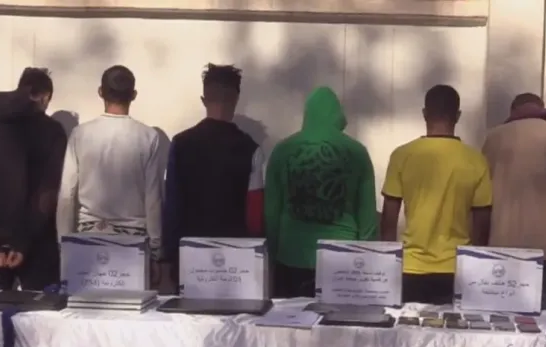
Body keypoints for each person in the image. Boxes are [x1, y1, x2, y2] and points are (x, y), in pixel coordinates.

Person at [380, 84, 492, 304]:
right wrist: (476, 266)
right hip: (458, 268)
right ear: (457, 116)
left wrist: (387, 265)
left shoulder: (402, 155)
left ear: (424, 113)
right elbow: (482, 222)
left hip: (410, 267)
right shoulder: (476, 160)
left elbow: (389, 219)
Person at [264, 86, 377, 297]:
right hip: (343, 260)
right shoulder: (357, 152)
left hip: (291, 258)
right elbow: (368, 219)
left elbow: (271, 213)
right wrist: (366, 262)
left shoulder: (282, 150)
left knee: (288, 318)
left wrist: (270, 257)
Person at [56, 65, 165, 283]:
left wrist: (64, 244)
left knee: (85, 303)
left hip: (88, 237)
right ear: (134, 95)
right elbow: (153, 198)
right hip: (133, 242)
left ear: (100, 92)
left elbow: (67, 194)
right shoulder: (149, 136)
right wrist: (155, 251)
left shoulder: (80, 134)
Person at [0, 67, 67, 291]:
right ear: (45, 97)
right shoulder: (52, 131)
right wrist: (22, 244)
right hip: (36, 245)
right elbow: (48, 193)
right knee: (41, 311)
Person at [163, 64, 264, 279]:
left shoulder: (180, 144)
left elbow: (172, 206)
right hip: (236, 256)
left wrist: (169, 256)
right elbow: (254, 215)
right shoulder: (252, 149)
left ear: (204, 100)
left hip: (189, 254)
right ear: (236, 99)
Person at [482, 93, 546, 310]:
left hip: (505, 247)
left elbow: (483, 197)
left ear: (513, 111)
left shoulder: (495, 139)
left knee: (506, 323)